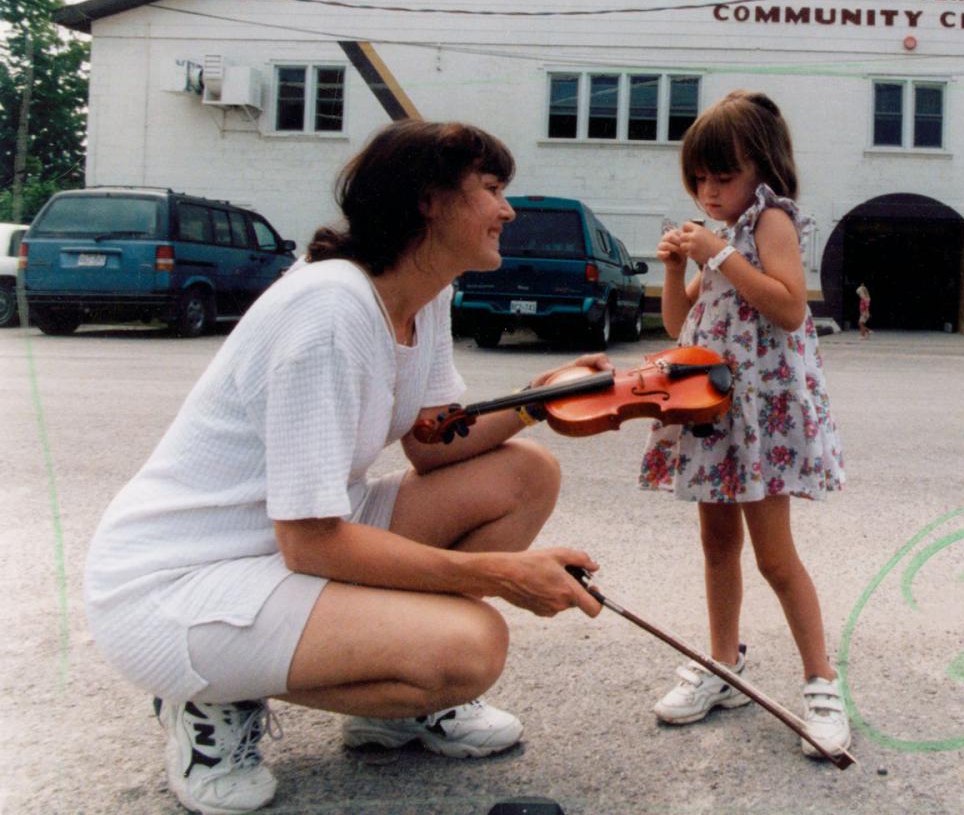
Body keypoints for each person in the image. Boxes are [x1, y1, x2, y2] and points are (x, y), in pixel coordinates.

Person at [83, 121, 604, 815]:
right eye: (491, 189)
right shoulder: (330, 308)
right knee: (472, 647)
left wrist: (544, 398)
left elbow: (433, 443)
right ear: (429, 201)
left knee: (527, 474)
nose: (509, 210)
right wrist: (501, 576)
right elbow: (311, 541)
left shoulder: (427, 294)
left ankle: (396, 704)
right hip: (182, 580)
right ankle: (210, 698)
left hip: (282, 544)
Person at [640, 90, 848, 759]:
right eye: (698, 179)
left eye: (722, 178)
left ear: (760, 167)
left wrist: (717, 254)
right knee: (716, 544)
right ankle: (723, 664)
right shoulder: (724, 235)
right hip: (714, 410)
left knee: (775, 556)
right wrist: (677, 267)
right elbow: (680, 326)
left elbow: (790, 308)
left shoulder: (771, 221)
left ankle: (821, 682)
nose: (708, 192)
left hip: (763, 414)